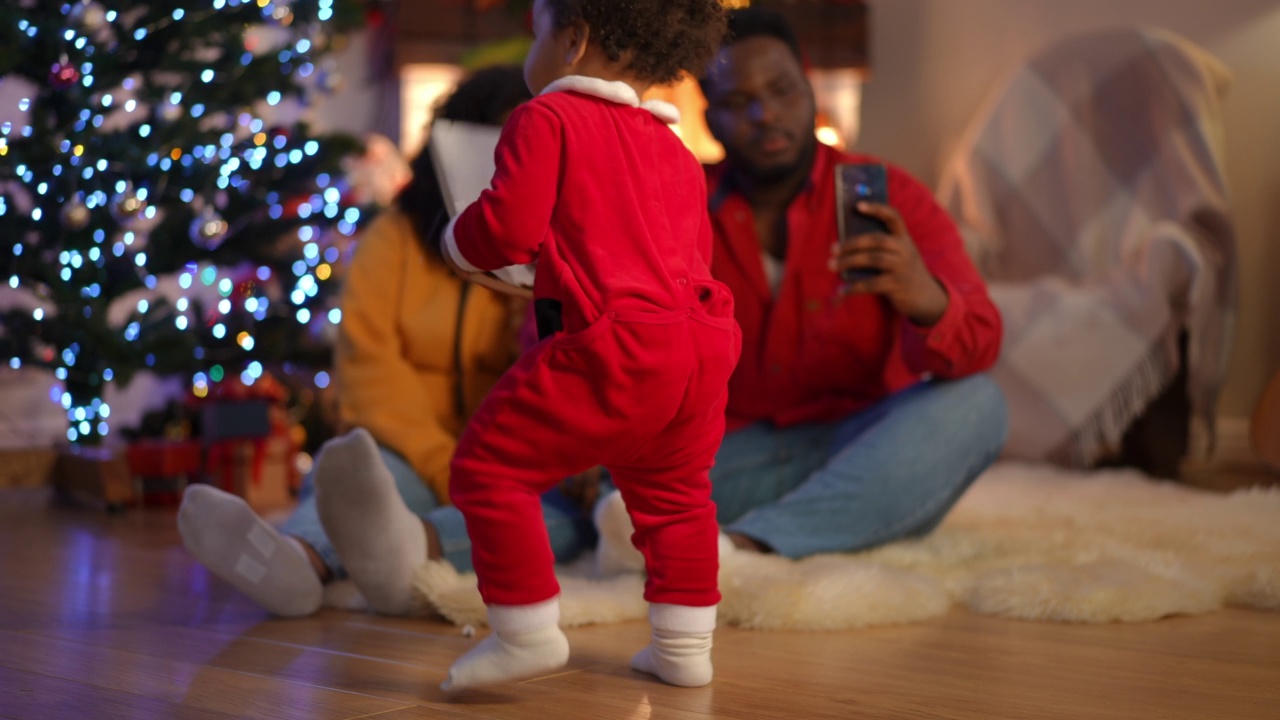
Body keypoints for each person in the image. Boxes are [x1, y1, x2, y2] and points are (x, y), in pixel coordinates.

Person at [594, 6, 1008, 570]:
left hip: (864, 447)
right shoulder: (671, 201)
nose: (766, 114)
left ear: (810, 86)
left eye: (782, 90)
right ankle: (433, 542)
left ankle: (744, 549)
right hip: (724, 456)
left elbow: (982, 339)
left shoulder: (891, 197)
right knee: (598, 490)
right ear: (710, 117)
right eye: (739, 103)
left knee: (978, 407)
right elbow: (581, 324)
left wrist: (923, 296)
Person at [177, 67, 594, 619]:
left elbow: (571, 381)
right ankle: (296, 562)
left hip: (516, 465)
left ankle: (412, 547)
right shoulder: (393, 241)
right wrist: (446, 465)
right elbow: (369, 372)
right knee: (365, 480)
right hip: (411, 447)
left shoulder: (571, 256)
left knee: (558, 513)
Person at [436, 0, 738, 691]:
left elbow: (508, 229)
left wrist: (458, 239)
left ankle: (525, 633)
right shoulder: (676, 150)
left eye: (538, 28)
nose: (531, 46)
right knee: (677, 496)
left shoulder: (546, 118)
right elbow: (673, 258)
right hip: (701, 347)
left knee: (489, 468)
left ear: (572, 41)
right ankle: (685, 654)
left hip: (617, 344)